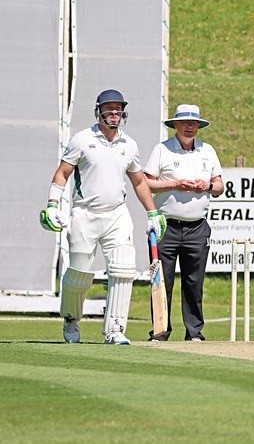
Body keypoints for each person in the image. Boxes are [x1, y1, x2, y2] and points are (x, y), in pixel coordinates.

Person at [40, 89, 166, 345]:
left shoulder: (129, 145)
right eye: (109, 108)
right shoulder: (82, 140)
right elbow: (62, 174)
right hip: (85, 214)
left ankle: (115, 330)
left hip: (117, 214)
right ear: (98, 111)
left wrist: (152, 212)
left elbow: (139, 181)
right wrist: (52, 205)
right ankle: (71, 319)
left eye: (118, 109)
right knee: (79, 274)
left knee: (123, 269)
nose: (114, 113)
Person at [143, 105, 223, 341]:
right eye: (185, 123)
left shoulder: (207, 151)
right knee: (161, 281)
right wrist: (174, 184)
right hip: (166, 226)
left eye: (194, 123)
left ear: (198, 126)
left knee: (194, 283)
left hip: (197, 227)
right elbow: (147, 183)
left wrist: (207, 186)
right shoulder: (162, 149)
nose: (190, 127)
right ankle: (160, 332)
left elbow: (219, 186)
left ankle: (194, 333)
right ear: (175, 125)